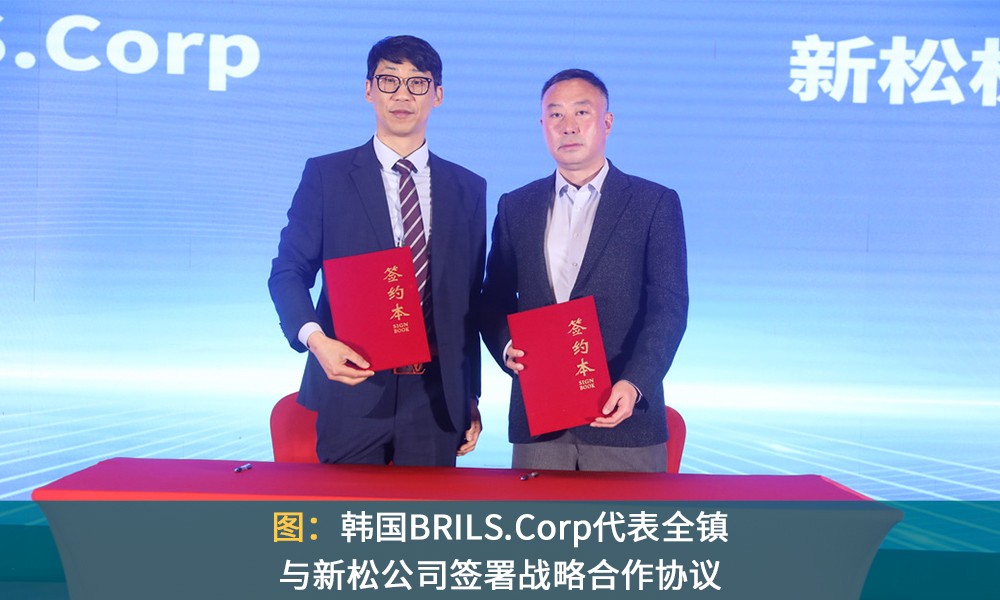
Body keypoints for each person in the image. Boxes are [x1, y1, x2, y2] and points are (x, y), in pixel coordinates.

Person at [269, 35, 485, 466]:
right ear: (369, 90)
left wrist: (469, 395)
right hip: (352, 386)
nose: (402, 95)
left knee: (427, 512)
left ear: (438, 95)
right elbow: (288, 271)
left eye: (417, 83)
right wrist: (317, 340)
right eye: (389, 81)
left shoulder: (467, 188)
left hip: (435, 399)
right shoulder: (328, 176)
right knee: (346, 511)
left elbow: (468, 300)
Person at [480, 69, 688, 472]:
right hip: (540, 422)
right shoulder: (516, 206)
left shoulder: (653, 203)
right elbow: (494, 299)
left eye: (581, 112)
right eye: (555, 114)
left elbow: (669, 308)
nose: (568, 126)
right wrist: (507, 347)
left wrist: (636, 383)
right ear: (542, 125)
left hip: (622, 417)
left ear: (607, 122)